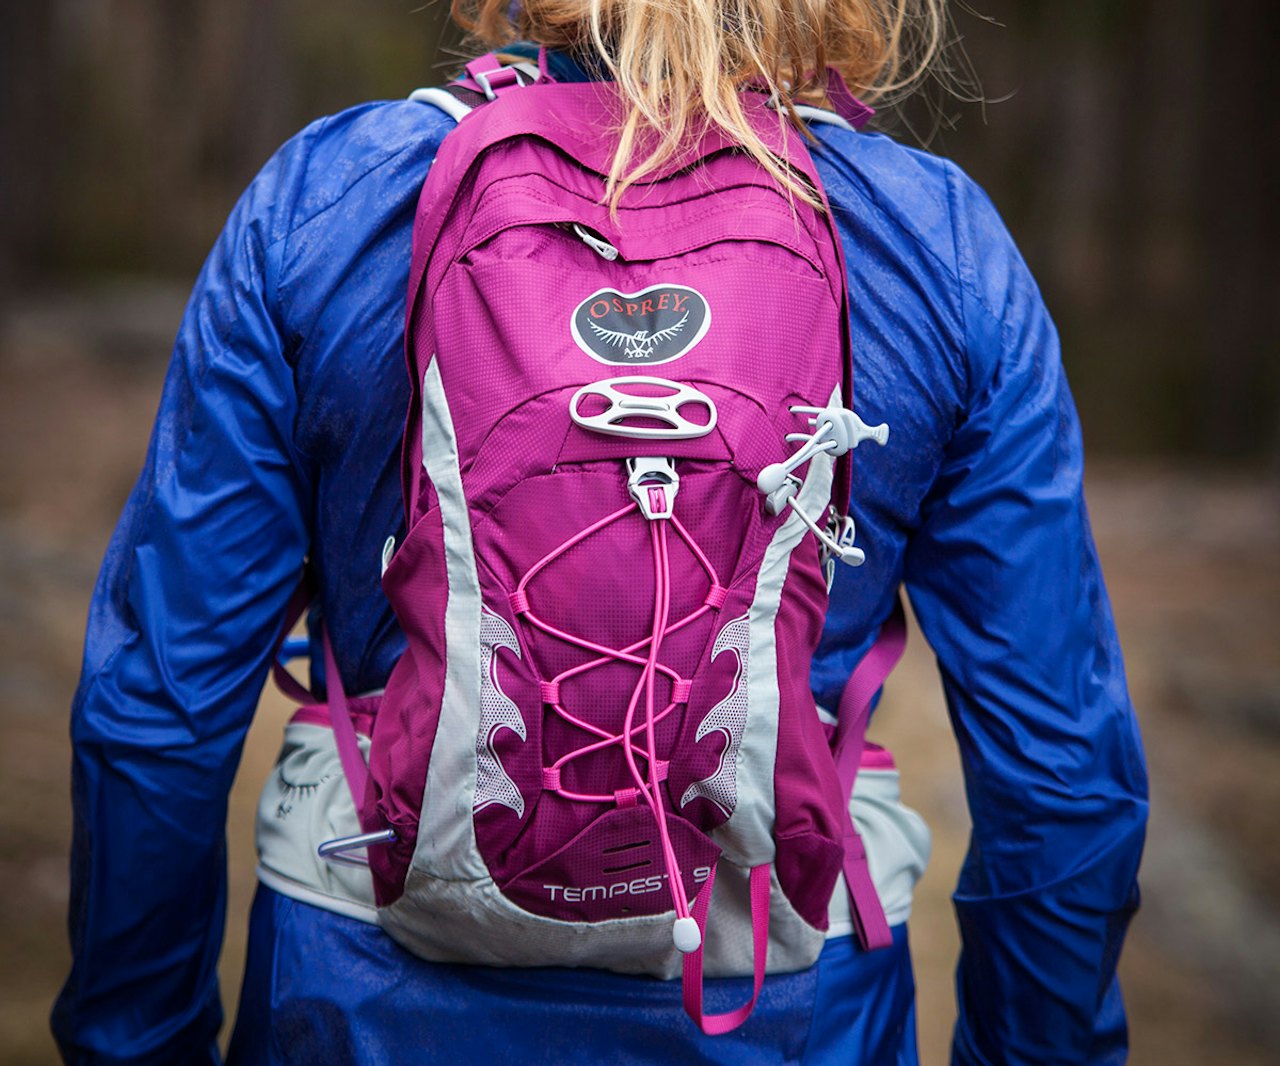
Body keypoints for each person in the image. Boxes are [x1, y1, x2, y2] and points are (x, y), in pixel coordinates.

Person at [52, 0, 1148, 1062]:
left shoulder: (336, 198)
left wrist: (132, 1039)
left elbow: (155, 713)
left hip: (364, 985)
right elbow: (1059, 779)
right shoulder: (931, 244)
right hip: (793, 1002)